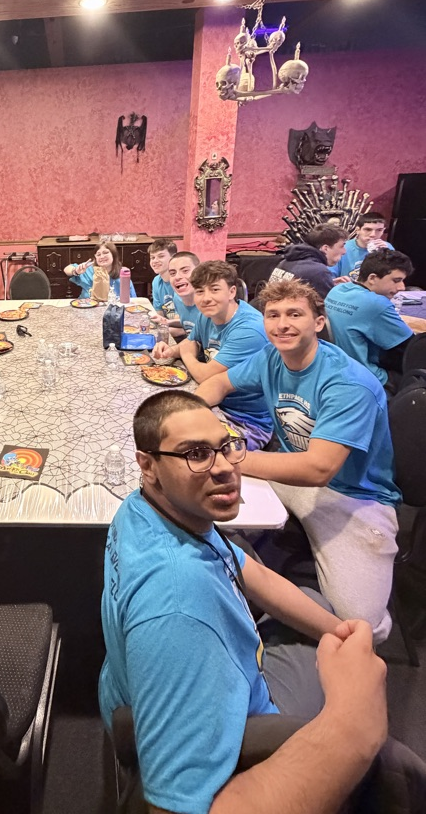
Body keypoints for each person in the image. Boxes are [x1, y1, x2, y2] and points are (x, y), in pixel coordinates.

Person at [100, 390, 388, 814]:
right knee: (391, 765)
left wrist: (338, 633)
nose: (224, 469)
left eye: (226, 446)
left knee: (315, 604)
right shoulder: (178, 608)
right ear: (149, 465)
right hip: (243, 718)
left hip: (138, 684)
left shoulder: (148, 508)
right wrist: (353, 729)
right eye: (195, 454)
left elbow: (248, 570)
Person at [195, 279, 400, 643]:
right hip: (289, 477)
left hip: (352, 498)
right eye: (273, 315)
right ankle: (256, 588)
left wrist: (233, 455)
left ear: (318, 323)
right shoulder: (273, 356)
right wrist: (196, 418)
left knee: (361, 628)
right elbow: (220, 384)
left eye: (295, 314)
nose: (282, 324)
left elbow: (318, 469)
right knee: (194, 503)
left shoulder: (348, 383)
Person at [153, 260, 273, 449]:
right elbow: (191, 342)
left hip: (247, 421)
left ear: (232, 292)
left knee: (181, 449)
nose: (206, 298)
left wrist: (186, 354)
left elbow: (204, 375)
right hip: (214, 406)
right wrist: (170, 350)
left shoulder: (249, 329)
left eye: (215, 289)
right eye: (200, 291)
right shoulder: (207, 314)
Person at [326, 249, 414, 389]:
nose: (401, 287)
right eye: (396, 280)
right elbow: (412, 347)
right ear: (372, 278)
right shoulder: (376, 304)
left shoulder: (338, 290)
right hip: (367, 376)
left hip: (337, 366)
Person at [268, 222, 347, 298]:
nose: (344, 251)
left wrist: (327, 282)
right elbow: (329, 308)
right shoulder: (318, 272)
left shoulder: (285, 262)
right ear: (325, 248)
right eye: (341, 246)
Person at [330, 211, 394, 281]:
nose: (373, 234)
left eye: (379, 230)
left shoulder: (387, 247)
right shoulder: (343, 247)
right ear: (358, 230)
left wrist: (387, 255)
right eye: (368, 229)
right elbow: (330, 276)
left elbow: (394, 276)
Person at [63, 242, 137, 300]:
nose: (102, 257)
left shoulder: (123, 274)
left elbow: (133, 300)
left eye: (105, 253)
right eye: (98, 254)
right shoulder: (88, 269)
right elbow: (67, 269)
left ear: (113, 255)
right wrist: (75, 271)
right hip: (87, 309)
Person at [147, 238, 177, 315]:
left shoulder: (180, 281)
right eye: (152, 258)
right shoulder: (156, 281)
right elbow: (159, 312)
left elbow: (185, 319)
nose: (155, 261)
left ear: (173, 258)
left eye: (161, 256)